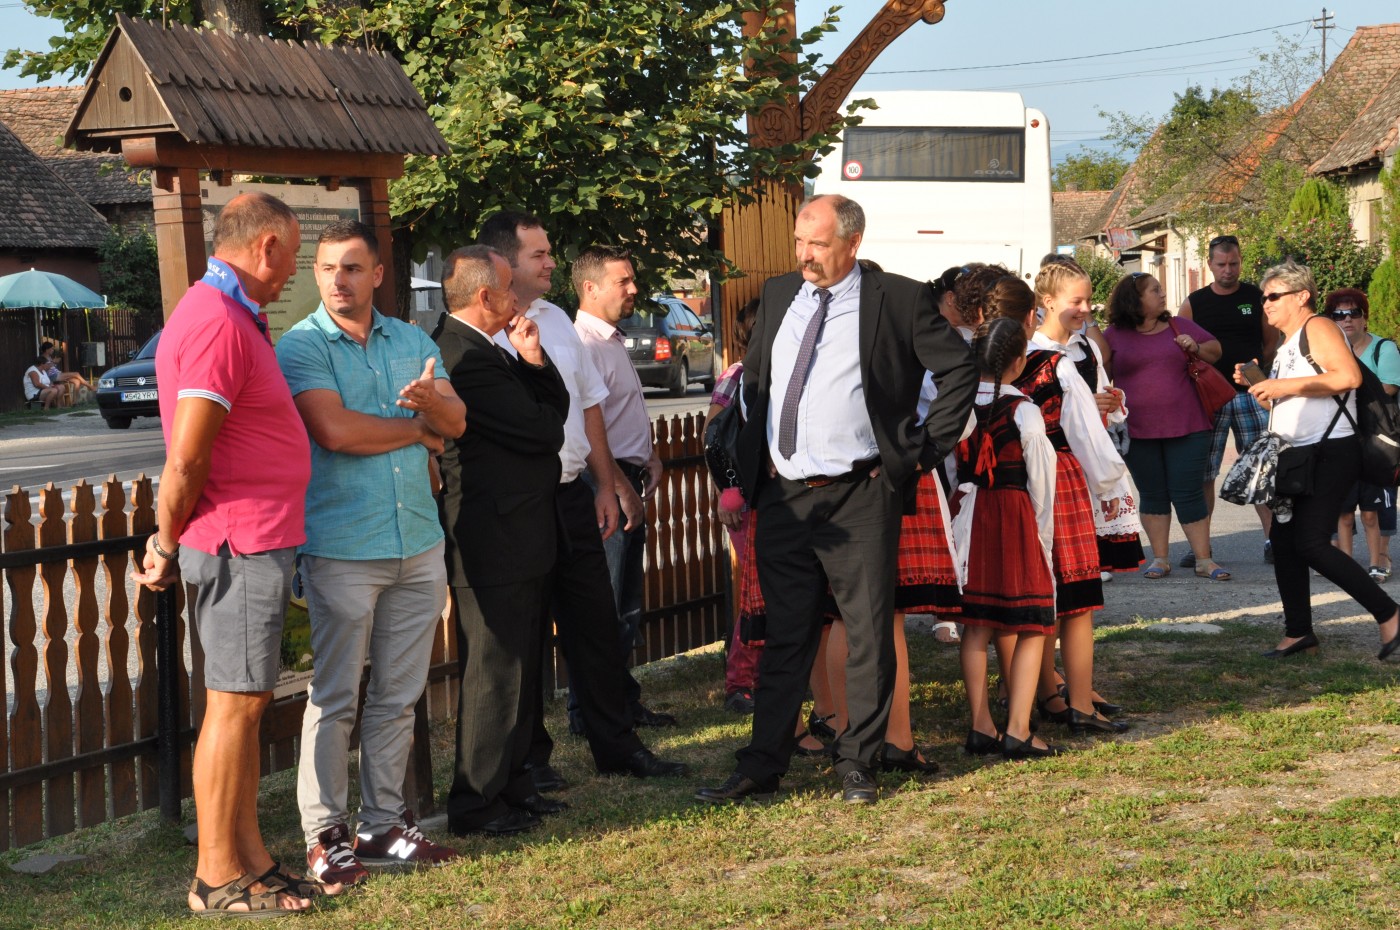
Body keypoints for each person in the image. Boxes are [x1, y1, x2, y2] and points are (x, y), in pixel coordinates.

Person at [695, 194, 976, 805]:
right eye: (800, 242)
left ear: (853, 242)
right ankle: (762, 764)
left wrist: (923, 451)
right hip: (785, 495)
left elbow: (958, 370)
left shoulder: (898, 299)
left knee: (867, 632)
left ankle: (858, 763)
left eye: (818, 244)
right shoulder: (779, 294)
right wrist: (754, 461)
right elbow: (759, 380)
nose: (805, 255)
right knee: (786, 634)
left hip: (860, 493)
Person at [131, 192, 315, 917]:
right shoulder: (215, 320)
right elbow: (187, 456)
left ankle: (251, 859)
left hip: (254, 536)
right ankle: (215, 876)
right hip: (238, 539)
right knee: (234, 706)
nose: (292, 271)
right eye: (292, 256)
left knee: (245, 700)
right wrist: (164, 540)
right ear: (265, 246)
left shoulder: (230, 313)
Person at [276, 220, 465, 886]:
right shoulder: (302, 346)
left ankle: (383, 825)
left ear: (378, 275)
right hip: (342, 548)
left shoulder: (412, 340)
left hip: (417, 540)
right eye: (328, 268)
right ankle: (325, 835)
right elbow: (335, 431)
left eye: (353, 268)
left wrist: (433, 412)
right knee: (334, 698)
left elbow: (457, 422)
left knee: (397, 695)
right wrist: (417, 428)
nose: (339, 280)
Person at [476, 212, 688, 786]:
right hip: (520, 501)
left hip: (573, 493)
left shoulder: (555, 320)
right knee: (524, 635)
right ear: (504, 262)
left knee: (595, 623)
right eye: (539, 255)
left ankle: (617, 746)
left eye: (548, 252)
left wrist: (607, 484)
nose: (551, 263)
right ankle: (530, 760)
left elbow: (589, 405)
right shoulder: (483, 329)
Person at [435, 245, 570, 836]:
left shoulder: (493, 348)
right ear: (486, 295)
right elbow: (542, 429)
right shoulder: (463, 357)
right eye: (511, 288)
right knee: (493, 672)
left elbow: (554, 410)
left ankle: (513, 785)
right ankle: (477, 801)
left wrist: (535, 360)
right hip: (493, 537)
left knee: (522, 667)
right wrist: (533, 381)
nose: (519, 299)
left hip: (520, 532)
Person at [991, 268, 1128, 737]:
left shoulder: (1002, 360)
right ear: (1040, 306)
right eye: (1077, 300)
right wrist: (1112, 485)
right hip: (1062, 474)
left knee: (1039, 591)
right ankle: (1081, 702)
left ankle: (1046, 693)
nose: (1086, 310)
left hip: (1012, 480)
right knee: (1078, 598)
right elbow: (1087, 436)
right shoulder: (1057, 364)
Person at [1241, 261, 1400, 661]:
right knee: (1284, 542)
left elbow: (1347, 377)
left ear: (1301, 296)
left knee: (1311, 543)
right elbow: (1297, 398)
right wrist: (1263, 386)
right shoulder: (1288, 343)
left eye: (1274, 296)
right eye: (1263, 297)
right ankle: (1298, 632)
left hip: (1331, 452)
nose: (1266, 303)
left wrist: (1281, 385)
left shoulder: (1319, 327)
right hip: (1297, 454)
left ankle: (1390, 614)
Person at [572, 246, 676, 730]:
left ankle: (619, 702)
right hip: (604, 484)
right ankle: (592, 712)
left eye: (632, 279)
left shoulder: (610, 339)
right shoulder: (584, 345)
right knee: (604, 604)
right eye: (623, 281)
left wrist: (648, 456)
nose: (634, 289)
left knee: (625, 604)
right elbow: (587, 430)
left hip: (625, 477)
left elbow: (619, 413)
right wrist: (618, 486)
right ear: (590, 288)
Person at [955, 317, 1060, 759]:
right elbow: (1043, 483)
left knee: (977, 622)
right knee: (1033, 623)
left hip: (971, 513)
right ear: (1019, 361)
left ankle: (981, 725)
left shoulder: (958, 403)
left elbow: (951, 467)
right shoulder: (1025, 411)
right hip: (1014, 515)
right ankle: (1017, 728)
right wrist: (1043, 536)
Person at [1103, 273, 1229, 581]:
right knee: (1152, 493)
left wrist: (1195, 347)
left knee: (1189, 493)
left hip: (1189, 425)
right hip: (1137, 429)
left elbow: (1216, 351)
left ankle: (1204, 560)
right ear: (1134, 299)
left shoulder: (1178, 325)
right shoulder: (1113, 335)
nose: (1162, 294)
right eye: (1154, 290)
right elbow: (1101, 372)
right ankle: (1160, 559)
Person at [1178, 234, 1276, 566]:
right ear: (1209, 264)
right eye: (1221, 264)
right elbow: (1182, 346)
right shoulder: (1194, 302)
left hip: (1251, 393)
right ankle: (1201, 547)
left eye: (1234, 263)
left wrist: (1257, 376)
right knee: (1205, 472)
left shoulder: (1256, 297)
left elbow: (1270, 342)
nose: (1228, 270)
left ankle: (1273, 541)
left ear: (1240, 262)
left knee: (1262, 466)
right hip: (1209, 396)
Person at [1325, 288, 1400, 581]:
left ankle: (1381, 557)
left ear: (1364, 318)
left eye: (1353, 313)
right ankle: (1343, 563)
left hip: (1377, 439)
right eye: (1339, 315)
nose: (1347, 320)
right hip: (1341, 437)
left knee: (1376, 505)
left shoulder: (1384, 349)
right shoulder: (1328, 350)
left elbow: (1389, 387)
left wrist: (1346, 384)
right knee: (1343, 507)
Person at [711, 298, 762, 714]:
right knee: (755, 592)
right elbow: (714, 436)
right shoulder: (738, 375)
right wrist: (726, 491)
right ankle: (740, 682)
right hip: (744, 501)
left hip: (771, 499)